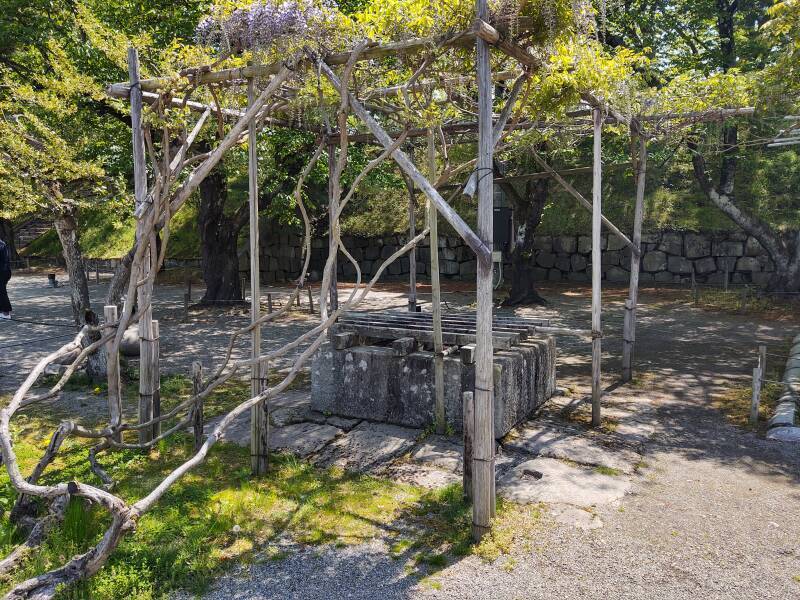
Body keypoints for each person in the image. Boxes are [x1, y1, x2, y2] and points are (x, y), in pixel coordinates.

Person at [0, 238, 11, 319]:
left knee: (2, 291)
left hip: (3, 272)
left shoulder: (1, 244)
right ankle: (1, 311)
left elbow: (5, 261)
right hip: (4, 271)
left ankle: (6, 313)